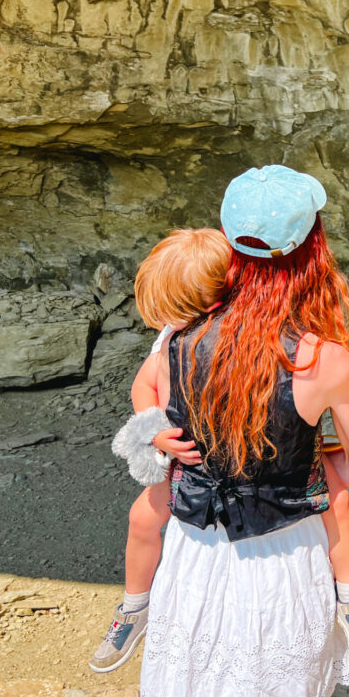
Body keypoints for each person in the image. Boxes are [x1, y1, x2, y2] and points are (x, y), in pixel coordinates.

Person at [139, 165, 349, 697]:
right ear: (311, 248)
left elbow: (148, 405)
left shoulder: (179, 333)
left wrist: (158, 435)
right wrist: (316, 457)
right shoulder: (323, 357)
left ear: (227, 238)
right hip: (283, 554)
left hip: (195, 549)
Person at [89, 228, 232, 672]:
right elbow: (143, 385)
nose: (166, 321)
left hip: (242, 466)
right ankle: (134, 607)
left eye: (171, 311)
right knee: (142, 519)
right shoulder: (172, 336)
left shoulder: (234, 334)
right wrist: (154, 433)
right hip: (186, 460)